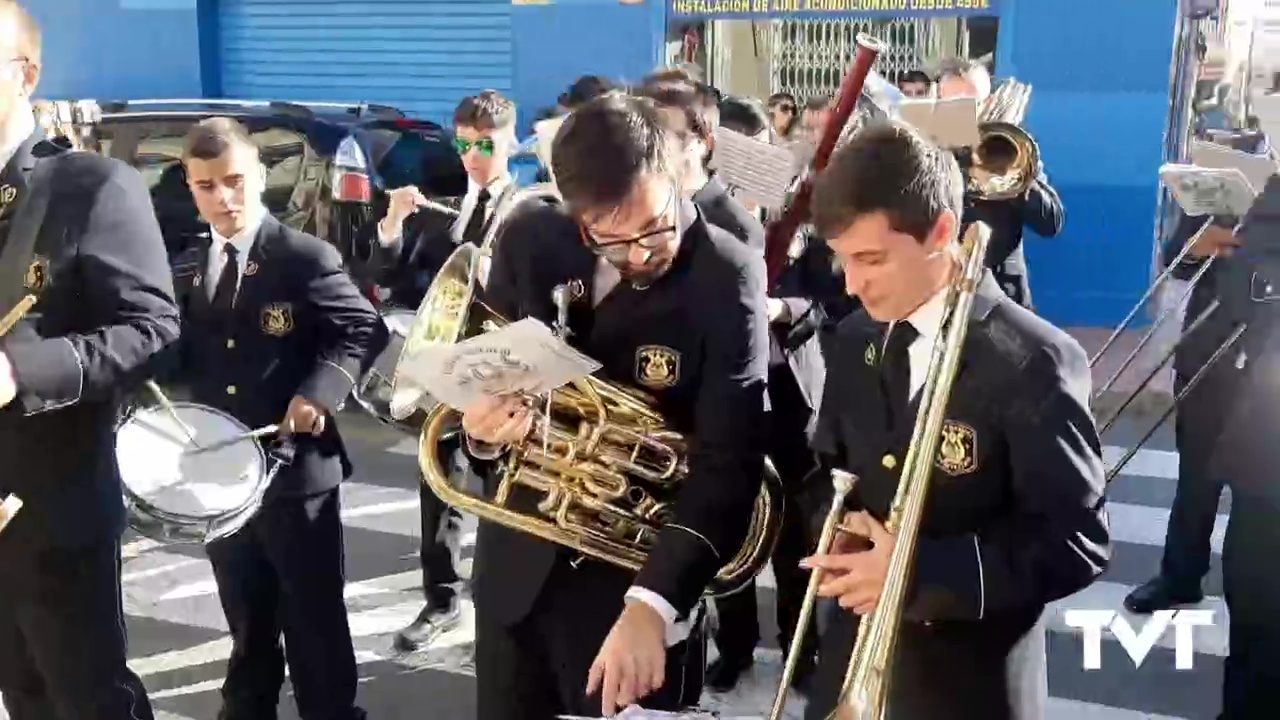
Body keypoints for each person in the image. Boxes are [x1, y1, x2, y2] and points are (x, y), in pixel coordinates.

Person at [459, 91, 769, 719]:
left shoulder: (727, 273)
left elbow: (727, 462)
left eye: (652, 225)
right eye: (606, 235)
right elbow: (477, 377)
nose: (635, 252)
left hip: (634, 586)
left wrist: (653, 603)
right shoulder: (530, 237)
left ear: (675, 171)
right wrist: (482, 433)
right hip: (514, 574)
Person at [800, 121, 1110, 720]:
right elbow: (828, 466)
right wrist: (834, 526)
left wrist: (919, 573)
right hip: (852, 663)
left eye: (871, 258)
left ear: (942, 232)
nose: (853, 283)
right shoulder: (855, 334)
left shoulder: (1032, 360)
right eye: (841, 260)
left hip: (969, 683)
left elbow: (1078, 541)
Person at [168, 117, 387, 720]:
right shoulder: (190, 266)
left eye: (235, 181)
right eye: (206, 186)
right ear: (190, 187)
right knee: (247, 617)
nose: (224, 198)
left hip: (296, 475)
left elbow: (362, 329)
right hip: (222, 477)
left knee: (313, 620)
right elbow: (177, 353)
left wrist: (320, 392)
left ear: (260, 176)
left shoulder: (301, 255)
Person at [0, 3, 178, 719]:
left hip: (53, 510)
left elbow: (154, 330)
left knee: (86, 702)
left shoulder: (90, 186)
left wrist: (21, 372)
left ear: (26, 74)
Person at [1123, 210, 1236, 615]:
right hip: (1206, 348)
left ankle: (1257, 588)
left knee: (1262, 491)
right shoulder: (1227, 172)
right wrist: (1196, 248)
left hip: (1267, 358)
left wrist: (1251, 245)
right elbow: (1178, 257)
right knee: (1195, 477)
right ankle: (1180, 577)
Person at [937, 57, 1065, 309]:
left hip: (1003, 298)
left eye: (969, 102)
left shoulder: (1012, 148)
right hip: (939, 294)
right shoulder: (926, 150)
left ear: (989, 102)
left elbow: (1051, 223)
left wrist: (1010, 174)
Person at [636, 79, 763, 251]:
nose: (660, 148)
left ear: (706, 143)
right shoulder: (636, 208)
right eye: (653, 136)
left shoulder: (736, 229)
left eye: (675, 137)